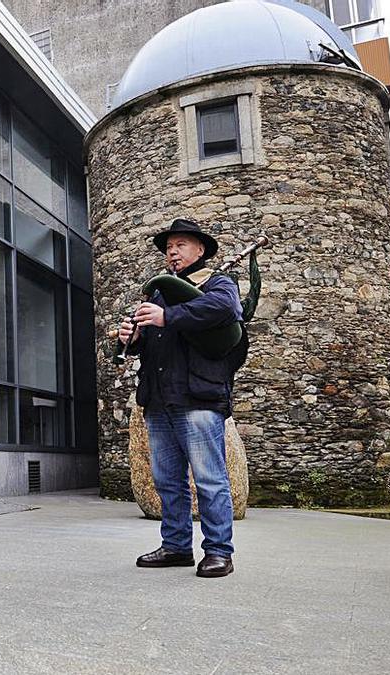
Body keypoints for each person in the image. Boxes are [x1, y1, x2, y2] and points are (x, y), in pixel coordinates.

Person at [118, 219, 241, 578]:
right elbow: (145, 344)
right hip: (159, 401)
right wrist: (132, 335)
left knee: (209, 479)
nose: (173, 251)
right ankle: (175, 546)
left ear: (200, 250)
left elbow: (223, 311)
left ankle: (219, 551)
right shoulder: (158, 294)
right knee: (167, 480)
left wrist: (166, 315)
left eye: (181, 244)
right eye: (169, 247)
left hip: (199, 397)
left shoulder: (218, 283)